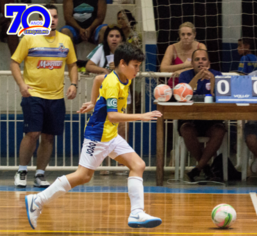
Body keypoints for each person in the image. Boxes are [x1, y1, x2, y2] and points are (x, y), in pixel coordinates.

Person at [24, 43, 163, 229]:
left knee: (138, 165)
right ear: (122, 63)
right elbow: (113, 115)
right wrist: (141, 116)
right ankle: (37, 200)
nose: (138, 70)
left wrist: (95, 102)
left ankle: (137, 213)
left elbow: (98, 79)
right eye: (135, 65)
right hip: (97, 136)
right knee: (83, 176)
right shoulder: (114, 83)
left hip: (110, 135)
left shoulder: (124, 77)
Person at [10, 4, 78, 188]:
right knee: (32, 133)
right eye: (49, 17)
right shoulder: (29, 38)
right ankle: (22, 171)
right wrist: (22, 85)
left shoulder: (65, 40)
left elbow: (72, 63)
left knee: (48, 136)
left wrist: (73, 83)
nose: (53, 20)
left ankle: (40, 174)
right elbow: (14, 62)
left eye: (55, 16)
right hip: (33, 95)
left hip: (56, 97)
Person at [178, 49, 226, 182]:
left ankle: (198, 168)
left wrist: (212, 79)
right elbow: (183, 94)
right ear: (192, 63)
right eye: (197, 59)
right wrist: (197, 77)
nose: (200, 62)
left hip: (211, 119)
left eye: (203, 59)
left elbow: (221, 97)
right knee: (186, 129)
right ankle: (206, 168)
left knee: (220, 130)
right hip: (191, 118)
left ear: (209, 62)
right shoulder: (184, 75)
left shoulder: (217, 75)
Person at [86, 25, 127, 175]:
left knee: (122, 130)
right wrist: (104, 71)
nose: (114, 39)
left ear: (122, 38)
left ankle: (121, 163)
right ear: (107, 38)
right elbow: (89, 65)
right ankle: (105, 164)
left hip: (122, 96)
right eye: (111, 36)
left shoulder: (126, 53)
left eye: (117, 36)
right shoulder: (101, 50)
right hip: (105, 96)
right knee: (105, 130)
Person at [160, 22, 207, 88]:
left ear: (194, 35)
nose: (186, 37)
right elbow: (163, 69)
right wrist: (184, 65)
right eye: (183, 34)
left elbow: (205, 66)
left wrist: (183, 71)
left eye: (189, 34)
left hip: (195, 86)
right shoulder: (172, 48)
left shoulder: (200, 47)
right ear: (179, 35)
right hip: (175, 86)